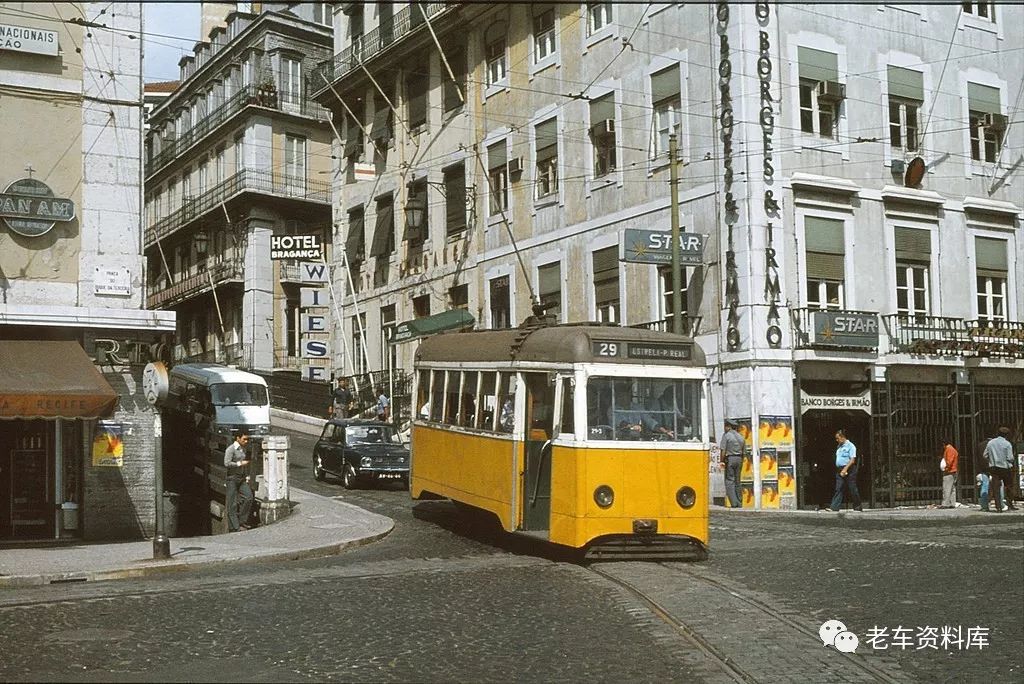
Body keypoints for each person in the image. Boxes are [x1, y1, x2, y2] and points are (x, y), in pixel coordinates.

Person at [224, 431, 254, 532]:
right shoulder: (231, 449)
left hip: (241, 477)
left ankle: (242, 521)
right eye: (244, 439)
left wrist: (246, 476)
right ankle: (235, 526)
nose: (246, 441)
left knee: (248, 497)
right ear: (238, 438)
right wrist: (239, 463)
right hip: (232, 478)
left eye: (247, 439)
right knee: (232, 503)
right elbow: (226, 463)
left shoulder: (243, 449)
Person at [827, 429, 863, 512]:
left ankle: (857, 506)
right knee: (839, 488)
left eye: (838, 438)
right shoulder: (839, 446)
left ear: (843, 437)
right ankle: (834, 507)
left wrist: (845, 469)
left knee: (852, 488)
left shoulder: (851, 446)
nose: (837, 440)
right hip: (840, 469)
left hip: (849, 469)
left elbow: (852, 460)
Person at [984, 427, 1017, 512]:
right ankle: (1010, 504)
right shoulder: (1007, 444)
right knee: (1008, 486)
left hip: (994, 467)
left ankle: (998, 507)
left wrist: (991, 460)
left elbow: (985, 455)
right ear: (1006, 435)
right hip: (1005, 467)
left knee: (996, 487)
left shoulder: (990, 443)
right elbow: (1010, 458)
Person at [720, 419, 745, 508]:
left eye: (725, 427)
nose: (725, 429)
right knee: (737, 481)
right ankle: (740, 502)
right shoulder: (741, 437)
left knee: (730, 481)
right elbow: (744, 452)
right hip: (739, 459)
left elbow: (723, 450)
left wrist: (721, 461)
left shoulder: (726, 436)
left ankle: (734, 503)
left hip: (730, 459)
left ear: (728, 427)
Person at [939, 438, 959, 508]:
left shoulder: (949, 449)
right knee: (952, 488)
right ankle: (952, 503)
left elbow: (949, 461)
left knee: (946, 488)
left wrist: (945, 468)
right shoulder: (952, 449)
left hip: (949, 471)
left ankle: (945, 503)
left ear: (943, 444)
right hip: (953, 471)